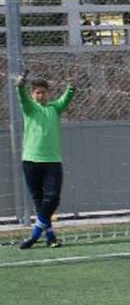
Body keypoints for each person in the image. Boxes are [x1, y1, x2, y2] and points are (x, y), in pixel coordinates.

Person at [15, 73, 76, 249]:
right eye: (37, 93)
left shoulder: (54, 108)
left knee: (53, 198)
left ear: (48, 93)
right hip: (31, 161)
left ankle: (35, 235)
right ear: (32, 94)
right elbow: (22, 97)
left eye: (43, 92)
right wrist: (20, 86)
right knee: (39, 201)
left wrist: (71, 87)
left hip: (52, 161)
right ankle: (50, 237)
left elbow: (66, 97)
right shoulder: (29, 108)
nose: (41, 95)